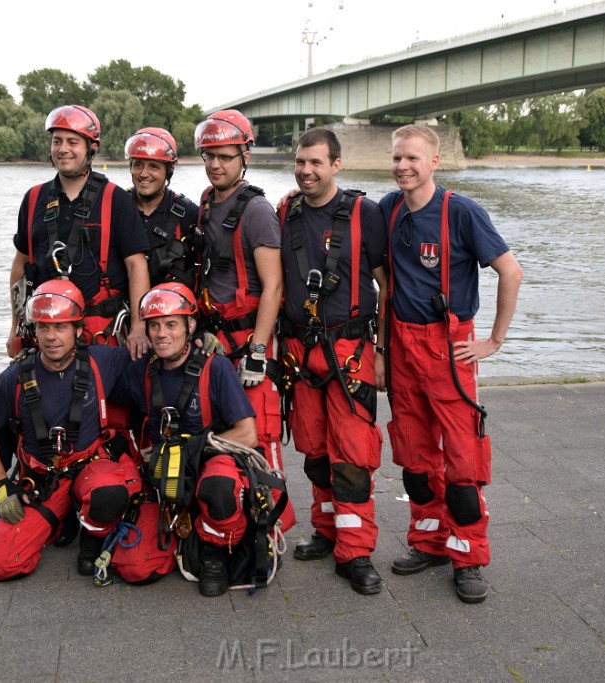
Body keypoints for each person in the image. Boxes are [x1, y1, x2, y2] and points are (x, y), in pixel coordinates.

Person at [379, 124, 523, 604]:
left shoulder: (461, 212)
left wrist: (494, 340)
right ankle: (430, 542)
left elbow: (511, 270)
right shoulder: (389, 208)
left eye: (413, 158)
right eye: (398, 157)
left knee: (463, 463)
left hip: (450, 347)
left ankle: (469, 557)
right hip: (402, 346)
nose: (403, 166)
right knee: (414, 459)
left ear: (434, 162)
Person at [0, 280, 174, 583]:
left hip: (91, 468)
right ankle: (60, 518)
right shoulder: (13, 378)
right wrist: (1, 486)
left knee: (109, 493)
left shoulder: (102, 360)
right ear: (34, 331)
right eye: (43, 328)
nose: (51, 337)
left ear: (79, 330)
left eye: (61, 327)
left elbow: (166, 355)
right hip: (43, 481)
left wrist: (200, 343)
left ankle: (91, 542)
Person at [278, 127, 387, 595]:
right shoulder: (286, 211)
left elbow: (388, 284)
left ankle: (356, 551)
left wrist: (383, 352)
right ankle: (326, 530)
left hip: (351, 353)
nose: (306, 171)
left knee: (352, 457)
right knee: (315, 452)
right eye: (301, 162)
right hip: (301, 351)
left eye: (316, 163)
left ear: (337, 165)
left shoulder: (367, 213)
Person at [125, 283, 287, 597]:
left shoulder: (216, 367)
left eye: (172, 324)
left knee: (219, 484)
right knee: (136, 567)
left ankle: (214, 552)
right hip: (170, 479)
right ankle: (185, 534)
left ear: (191, 326)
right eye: (155, 325)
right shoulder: (140, 372)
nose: (162, 334)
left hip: (212, 465)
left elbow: (247, 433)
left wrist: (194, 449)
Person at [192, 109, 295, 532]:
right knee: (222, 432)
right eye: (210, 156)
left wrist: (257, 350)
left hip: (248, 340)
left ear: (243, 156)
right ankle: (228, 522)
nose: (216, 164)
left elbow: (273, 286)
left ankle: (271, 528)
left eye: (226, 157)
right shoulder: (206, 203)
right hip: (214, 341)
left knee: (260, 435)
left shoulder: (254, 211)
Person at [8, 104, 150, 362]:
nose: (63, 149)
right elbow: (20, 266)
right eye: (57, 141)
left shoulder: (115, 199)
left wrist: (139, 327)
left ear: (90, 149)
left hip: (99, 332)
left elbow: (136, 266)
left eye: (73, 142)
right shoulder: (33, 199)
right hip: (45, 332)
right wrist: (15, 326)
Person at [124, 127, 200, 287]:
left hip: (168, 306)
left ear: (169, 170)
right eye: (138, 165)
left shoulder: (189, 213)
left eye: (153, 166)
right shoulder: (118, 205)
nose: (144, 173)